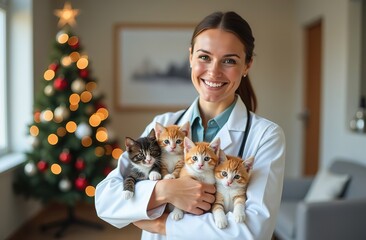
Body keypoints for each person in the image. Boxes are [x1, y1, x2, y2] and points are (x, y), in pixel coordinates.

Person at [95, 11, 285, 240]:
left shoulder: (265, 136)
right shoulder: (164, 125)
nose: (214, 71)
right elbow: (106, 200)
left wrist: (163, 225)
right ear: (191, 57)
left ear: (247, 65)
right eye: (204, 57)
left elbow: (252, 232)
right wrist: (166, 190)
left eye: (229, 60)